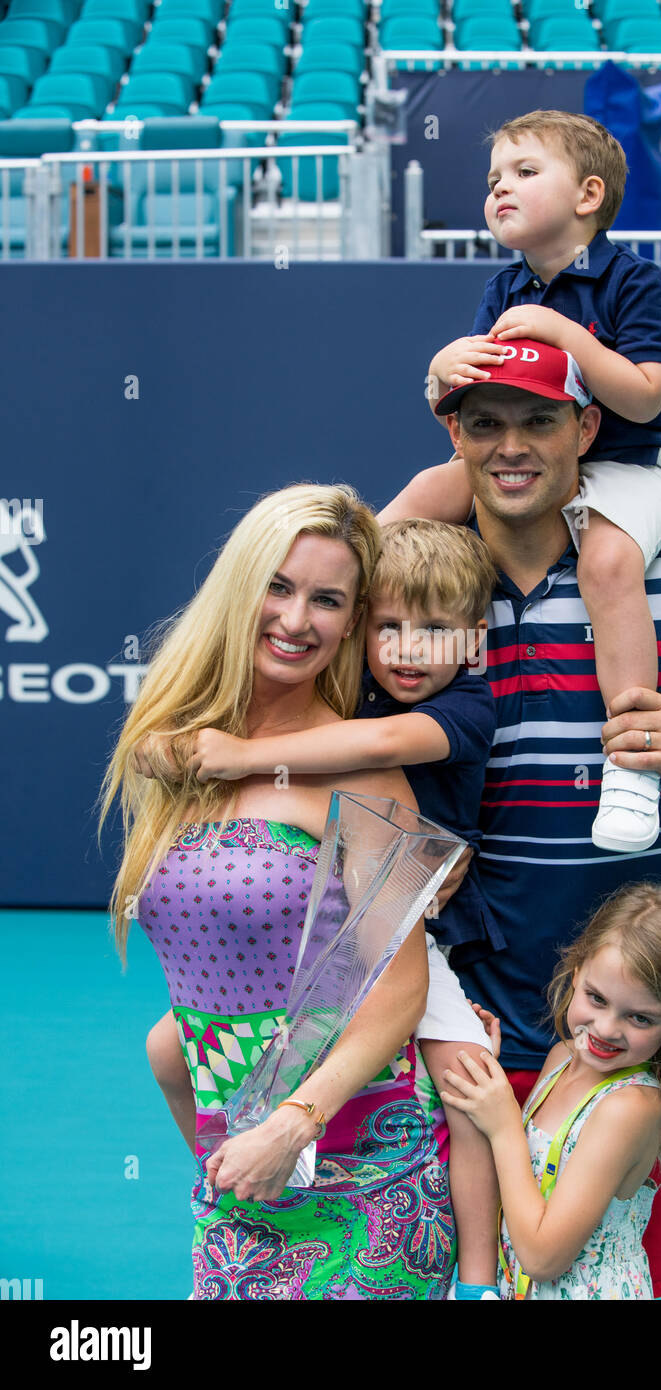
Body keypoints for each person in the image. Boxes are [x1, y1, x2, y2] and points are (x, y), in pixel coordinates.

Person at [380, 338, 661, 1297]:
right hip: (465, 1034)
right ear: (454, 435)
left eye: (539, 420)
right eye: (484, 423)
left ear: (586, 429)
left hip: (624, 1044)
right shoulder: (418, 594)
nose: (512, 447)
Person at [100, 483, 459, 1300]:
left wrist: (295, 1119)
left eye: (328, 599)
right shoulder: (180, 756)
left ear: (353, 619)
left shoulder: (367, 771)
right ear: (239, 588)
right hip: (241, 1177)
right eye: (280, 586)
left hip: (368, 1170)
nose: (298, 620)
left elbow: (398, 990)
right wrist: (198, 1086)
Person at [396, 109, 661, 855]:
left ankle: (631, 764)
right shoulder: (502, 289)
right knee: (416, 504)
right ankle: (330, 596)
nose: (501, 189)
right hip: (542, 462)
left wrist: (565, 335)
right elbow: (477, 402)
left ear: (588, 195)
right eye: (494, 178)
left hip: (636, 464)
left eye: (526, 173)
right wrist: (439, 368)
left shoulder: (634, 281)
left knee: (607, 560)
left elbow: (644, 397)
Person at [441, 882, 661, 1300]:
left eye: (640, 1018)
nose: (607, 1029)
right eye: (596, 998)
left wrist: (504, 1124)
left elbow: (542, 1257)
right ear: (576, 973)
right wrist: (488, 1068)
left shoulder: (630, 1108)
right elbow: (530, 1180)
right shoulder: (561, 1058)